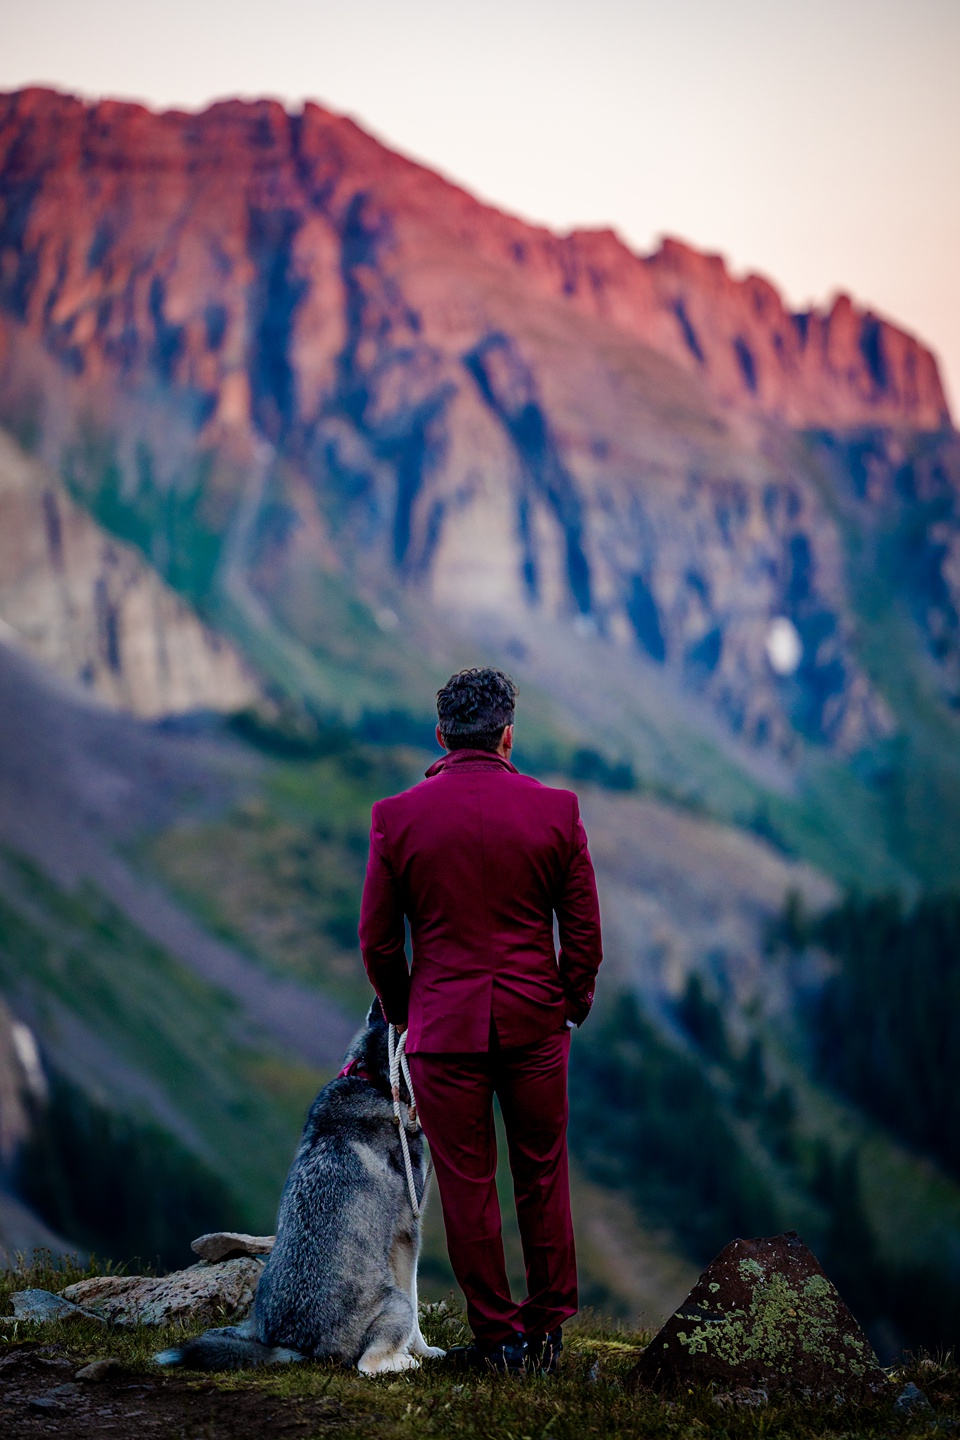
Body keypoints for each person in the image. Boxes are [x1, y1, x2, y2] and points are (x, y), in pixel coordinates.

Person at [358, 667, 603, 1375]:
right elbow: (583, 935)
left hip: (442, 1031)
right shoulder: (557, 811)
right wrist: (570, 1005)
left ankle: (497, 1342)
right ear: (507, 736)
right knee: (541, 1175)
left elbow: (378, 941)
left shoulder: (397, 817)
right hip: (536, 1021)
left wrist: (405, 1016)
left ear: (441, 735)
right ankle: (548, 1333)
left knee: (468, 1187)